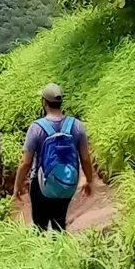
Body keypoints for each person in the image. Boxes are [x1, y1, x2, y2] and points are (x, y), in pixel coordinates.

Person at [14, 83, 93, 232]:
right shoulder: (77, 126)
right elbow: (86, 159)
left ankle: (42, 253)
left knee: (40, 227)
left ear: (44, 102)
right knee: (59, 224)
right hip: (67, 182)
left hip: (41, 183)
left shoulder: (36, 128)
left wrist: (17, 185)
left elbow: (26, 162)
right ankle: (61, 252)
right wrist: (88, 180)